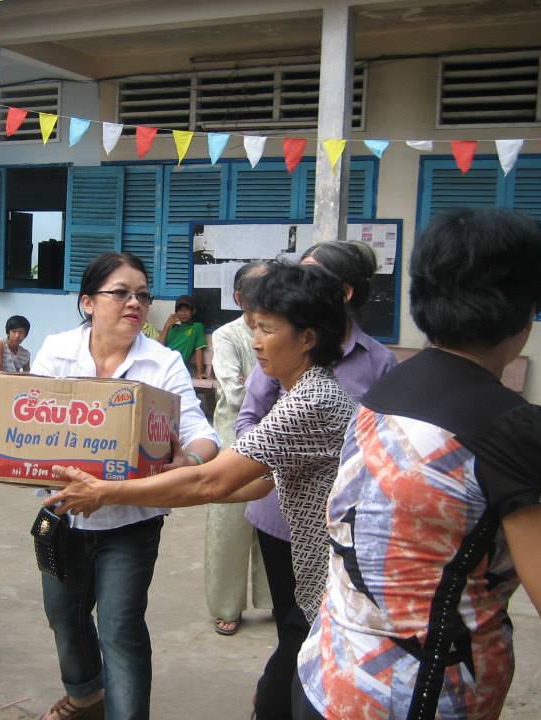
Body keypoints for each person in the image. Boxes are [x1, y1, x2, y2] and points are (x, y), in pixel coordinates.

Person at [297, 208, 541, 720]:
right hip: (415, 698)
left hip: (325, 678)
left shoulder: (388, 387)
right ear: (529, 307)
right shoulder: (514, 427)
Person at [45, 262, 356, 714]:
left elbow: (210, 479)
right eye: (254, 327)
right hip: (323, 588)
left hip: (337, 587)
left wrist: (110, 492)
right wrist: (161, 488)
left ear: (307, 338)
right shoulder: (299, 393)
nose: (255, 342)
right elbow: (256, 484)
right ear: (87, 303)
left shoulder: (309, 402)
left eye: (266, 330)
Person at [31, 251, 219, 720]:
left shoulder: (163, 363)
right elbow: (29, 421)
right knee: (64, 617)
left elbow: (202, 434)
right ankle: (86, 695)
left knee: (119, 628)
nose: (135, 303)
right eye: (121, 293)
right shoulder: (57, 351)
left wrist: (190, 459)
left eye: (142, 295)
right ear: (88, 302)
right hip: (64, 513)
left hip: (133, 522)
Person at [238, 240, 397, 720]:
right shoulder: (283, 358)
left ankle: (277, 698)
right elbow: (249, 423)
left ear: (342, 292)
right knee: (296, 626)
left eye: (310, 275)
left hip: (334, 529)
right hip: (276, 511)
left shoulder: (357, 370)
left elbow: (210, 482)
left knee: (305, 630)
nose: (257, 340)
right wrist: (260, 457)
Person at [205, 262, 271, 637]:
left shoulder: (285, 329)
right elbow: (233, 391)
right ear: (238, 298)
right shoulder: (227, 335)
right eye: (258, 292)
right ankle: (226, 606)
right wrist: (276, 392)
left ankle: (274, 599)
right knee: (228, 526)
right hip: (234, 442)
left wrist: (259, 387)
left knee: (274, 524)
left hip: (278, 440)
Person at [160, 294, 206, 377]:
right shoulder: (172, 328)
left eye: (186, 309)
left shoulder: (196, 327)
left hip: (175, 367)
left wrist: (200, 372)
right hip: (161, 363)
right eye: (180, 310)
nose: (183, 313)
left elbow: (199, 350)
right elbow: (159, 348)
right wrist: (166, 326)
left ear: (193, 311)